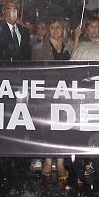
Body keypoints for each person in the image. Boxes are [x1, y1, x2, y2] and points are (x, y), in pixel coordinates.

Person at [30, 18, 70, 180]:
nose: (55, 30)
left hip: (65, 94)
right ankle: (47, 161)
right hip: (46, 94)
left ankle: (60, 163)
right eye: (52, 27)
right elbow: (34, 70)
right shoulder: (40, 47)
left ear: (63, 30)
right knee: (47, 128)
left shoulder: (70, 47)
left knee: (62, 128)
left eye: (58, 27)